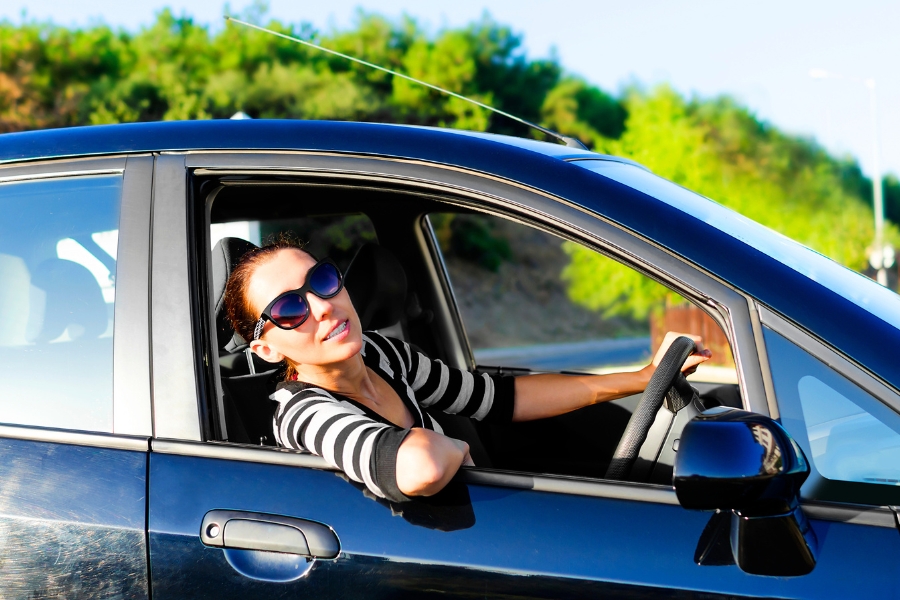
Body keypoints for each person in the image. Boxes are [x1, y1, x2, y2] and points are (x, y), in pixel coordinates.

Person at [224, 240, 711, 503]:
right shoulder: (299, 413)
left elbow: (499, 398)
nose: (323, 308)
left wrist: (643, 377)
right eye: (290, 308)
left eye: (323, 281)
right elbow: (420, 466)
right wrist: (459, 448)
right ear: (266, 348)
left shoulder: (383, 355)